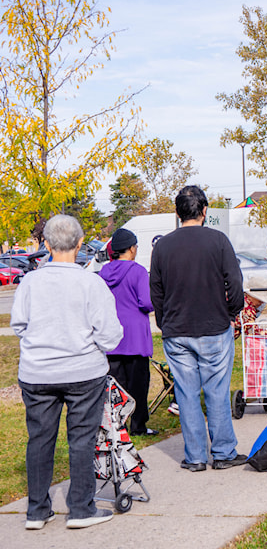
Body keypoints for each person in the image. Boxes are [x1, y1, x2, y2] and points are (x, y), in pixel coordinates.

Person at [15, 214, 123, 529]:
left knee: (39, 439)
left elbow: (19, 325)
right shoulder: (91, 281)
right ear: (79, 244)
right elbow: (110, 335)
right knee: (81, 439)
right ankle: (80, 509)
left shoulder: (30, 282)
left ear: (46, 244)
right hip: (83, 371)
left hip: (38, 373)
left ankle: (36, 511)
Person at [150, 185, 247, 472]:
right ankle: (223, 452)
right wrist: (233, 312)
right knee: (216, 391)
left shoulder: (162, 246)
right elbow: (236, 282)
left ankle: (195, 457)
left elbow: (156, 289)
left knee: (186, 393)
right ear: (204, 211)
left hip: (177, 329)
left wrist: (163, 320)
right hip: (214, 326)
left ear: (178, 213)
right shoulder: (218, 240)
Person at [98, 227, 155, 436]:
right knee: (138, 384)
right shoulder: (137, 271)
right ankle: (138, 426)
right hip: (135, 336)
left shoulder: (103, 272)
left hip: (112, 336)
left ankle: (116, 427)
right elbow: (146, 302)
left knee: (115, 385)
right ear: (131, 249)